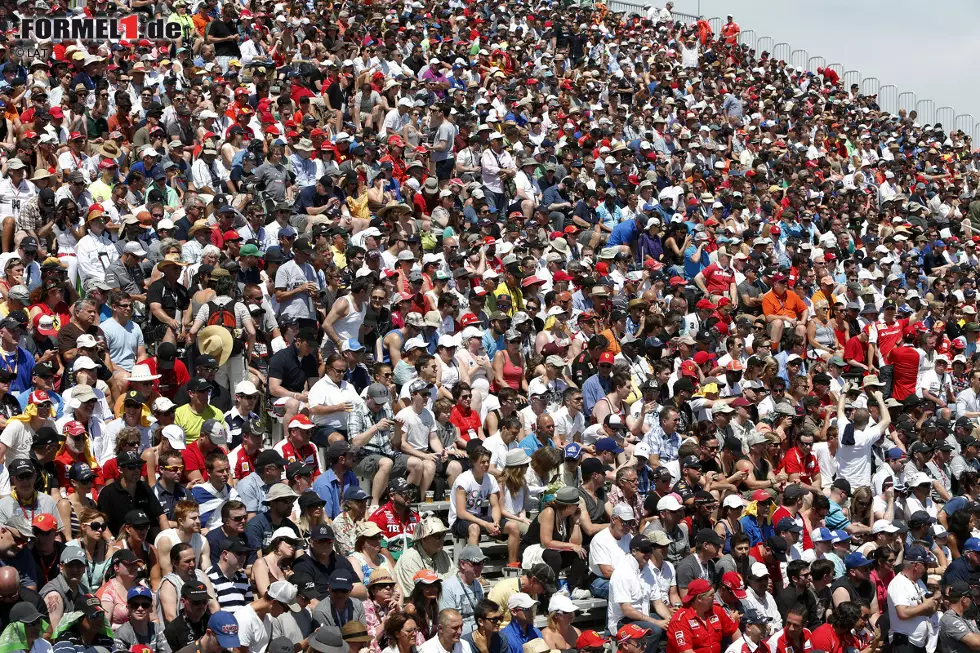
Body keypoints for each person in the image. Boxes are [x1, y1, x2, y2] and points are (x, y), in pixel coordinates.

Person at [887, 545, 939, 653]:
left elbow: (931, 610)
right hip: (904, 643)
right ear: (915, 565)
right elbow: (903, 613)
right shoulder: (898, 583)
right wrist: (925, 606)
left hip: (918, 644)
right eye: (925, 565)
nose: (927, 568)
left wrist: (935, 600)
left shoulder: (919, 582)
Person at [665, 579, 739, 653]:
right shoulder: (679, 621)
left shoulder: (716, 611)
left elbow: (734, 630)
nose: (714, 597)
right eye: (711, 595)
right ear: (699, 598)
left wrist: (737, 649)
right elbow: (686, 651)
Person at [439, 545, 486, 635]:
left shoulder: (478, 584)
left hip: (478, 635)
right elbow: (447, 621)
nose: (480, 566)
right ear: (463, 564)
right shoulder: (449, 586)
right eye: (476, 563)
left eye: (482, 562)